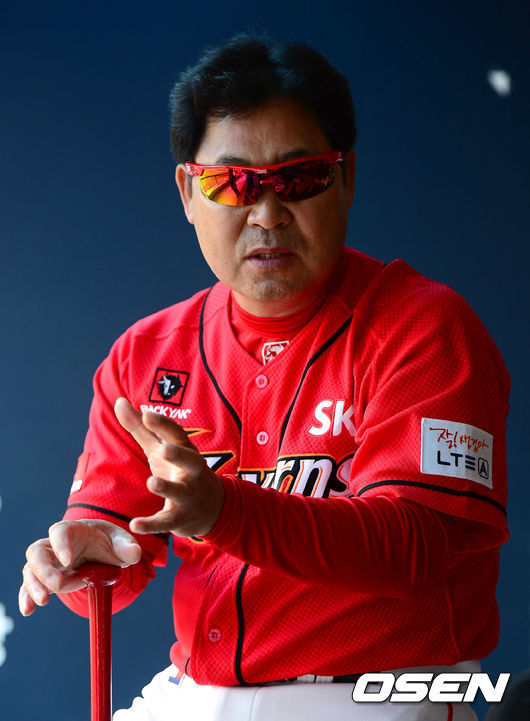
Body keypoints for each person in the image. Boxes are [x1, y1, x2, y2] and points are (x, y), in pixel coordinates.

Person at [19, 34, 510, 721]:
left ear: (346, 177)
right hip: (197, 689)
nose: (268, 212)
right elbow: (112, 542)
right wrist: (89, 555)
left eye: (299, 178)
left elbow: (411, 550)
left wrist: (225, 509)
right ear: (189, 192)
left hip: (381, 687)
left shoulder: (426, 328)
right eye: (233, 183)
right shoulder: (145, 353)